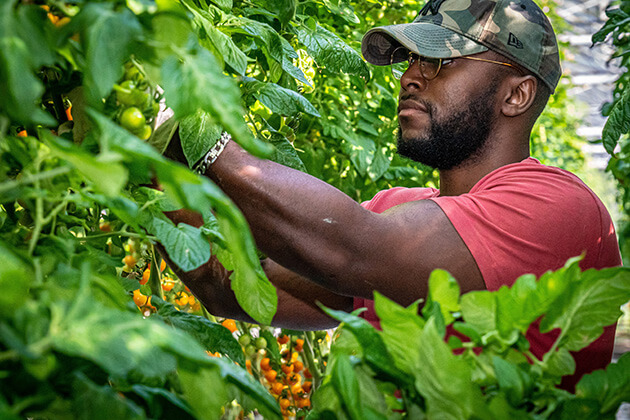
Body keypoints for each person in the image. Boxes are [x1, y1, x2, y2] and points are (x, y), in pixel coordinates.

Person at [161, 0, 621, 391]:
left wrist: (188, 122)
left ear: (517, 94)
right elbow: (231, 289)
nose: (409, 78)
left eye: (439, 60)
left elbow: (349, 249)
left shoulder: (557, 206)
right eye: (410, 60)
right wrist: (153, 163)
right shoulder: (395, 212)